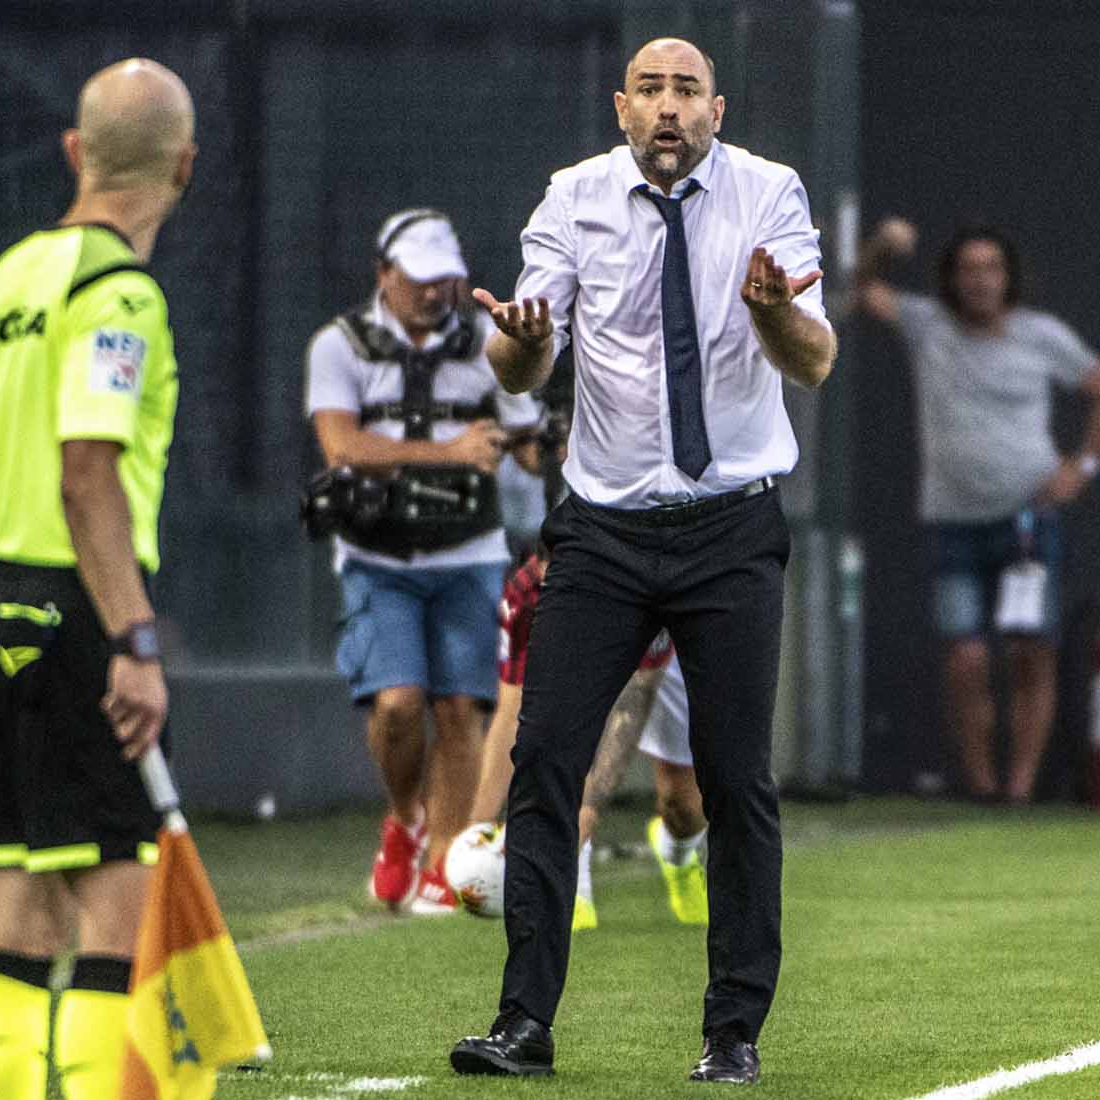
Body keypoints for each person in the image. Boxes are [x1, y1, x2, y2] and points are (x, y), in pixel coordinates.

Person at [451, 37, 834, 1085]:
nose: (670, 107)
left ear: (718, 109)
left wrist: (775, 313)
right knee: (544, 760)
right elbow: (520, 364)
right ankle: (522, 1023)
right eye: (651, 90)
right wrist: (523, 339)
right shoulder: (572, 197)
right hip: (605, 530)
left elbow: (815, 360)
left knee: (734, 778)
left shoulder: (770, 193)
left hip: (730, 526)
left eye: (688, 90)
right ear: (622, 107)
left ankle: (732, 1032)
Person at [0, 58, 194, 1100]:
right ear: (185, 166)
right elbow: (89, 473)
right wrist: (133, 640)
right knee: (113, 917)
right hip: (79, 618)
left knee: (19, 915)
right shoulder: (119, 294)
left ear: (75, 152)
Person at [305, 208, 540, 916]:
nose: (434, 293)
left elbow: (527, 441)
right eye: (419, 279)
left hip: (469, 553)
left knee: (460, 708)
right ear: (385, 274)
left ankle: (445, 861)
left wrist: (546, 433)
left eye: (445, 280)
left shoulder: (485, 348)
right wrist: (449, 452)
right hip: (378, 556)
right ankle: (405, 816)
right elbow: (341, 446)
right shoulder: (338, 346)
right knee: (398, 705)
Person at [854, 217, 1100, 804]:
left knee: (1031, 650)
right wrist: (882, 248)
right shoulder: (928, 325)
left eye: (991, 269)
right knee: (966, 654)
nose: (980, 281)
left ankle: (1020, 787)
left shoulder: (1041, 335)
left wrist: (1081, 468)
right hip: (954, 519)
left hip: (1028, 518)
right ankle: (982, 784)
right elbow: (861, 289)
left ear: (1009, 277)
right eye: (969, 270)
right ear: (952, 279)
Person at [474, 549, 709, 933]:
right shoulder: (527, 593)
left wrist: (587, 811)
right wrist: (477, 829)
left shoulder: (645, 584)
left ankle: (677, 854)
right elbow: (511, 711)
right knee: (559, 730)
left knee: (684, 804)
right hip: (591, 651)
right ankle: (573, 887)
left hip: (666, 653)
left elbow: (631, 703)